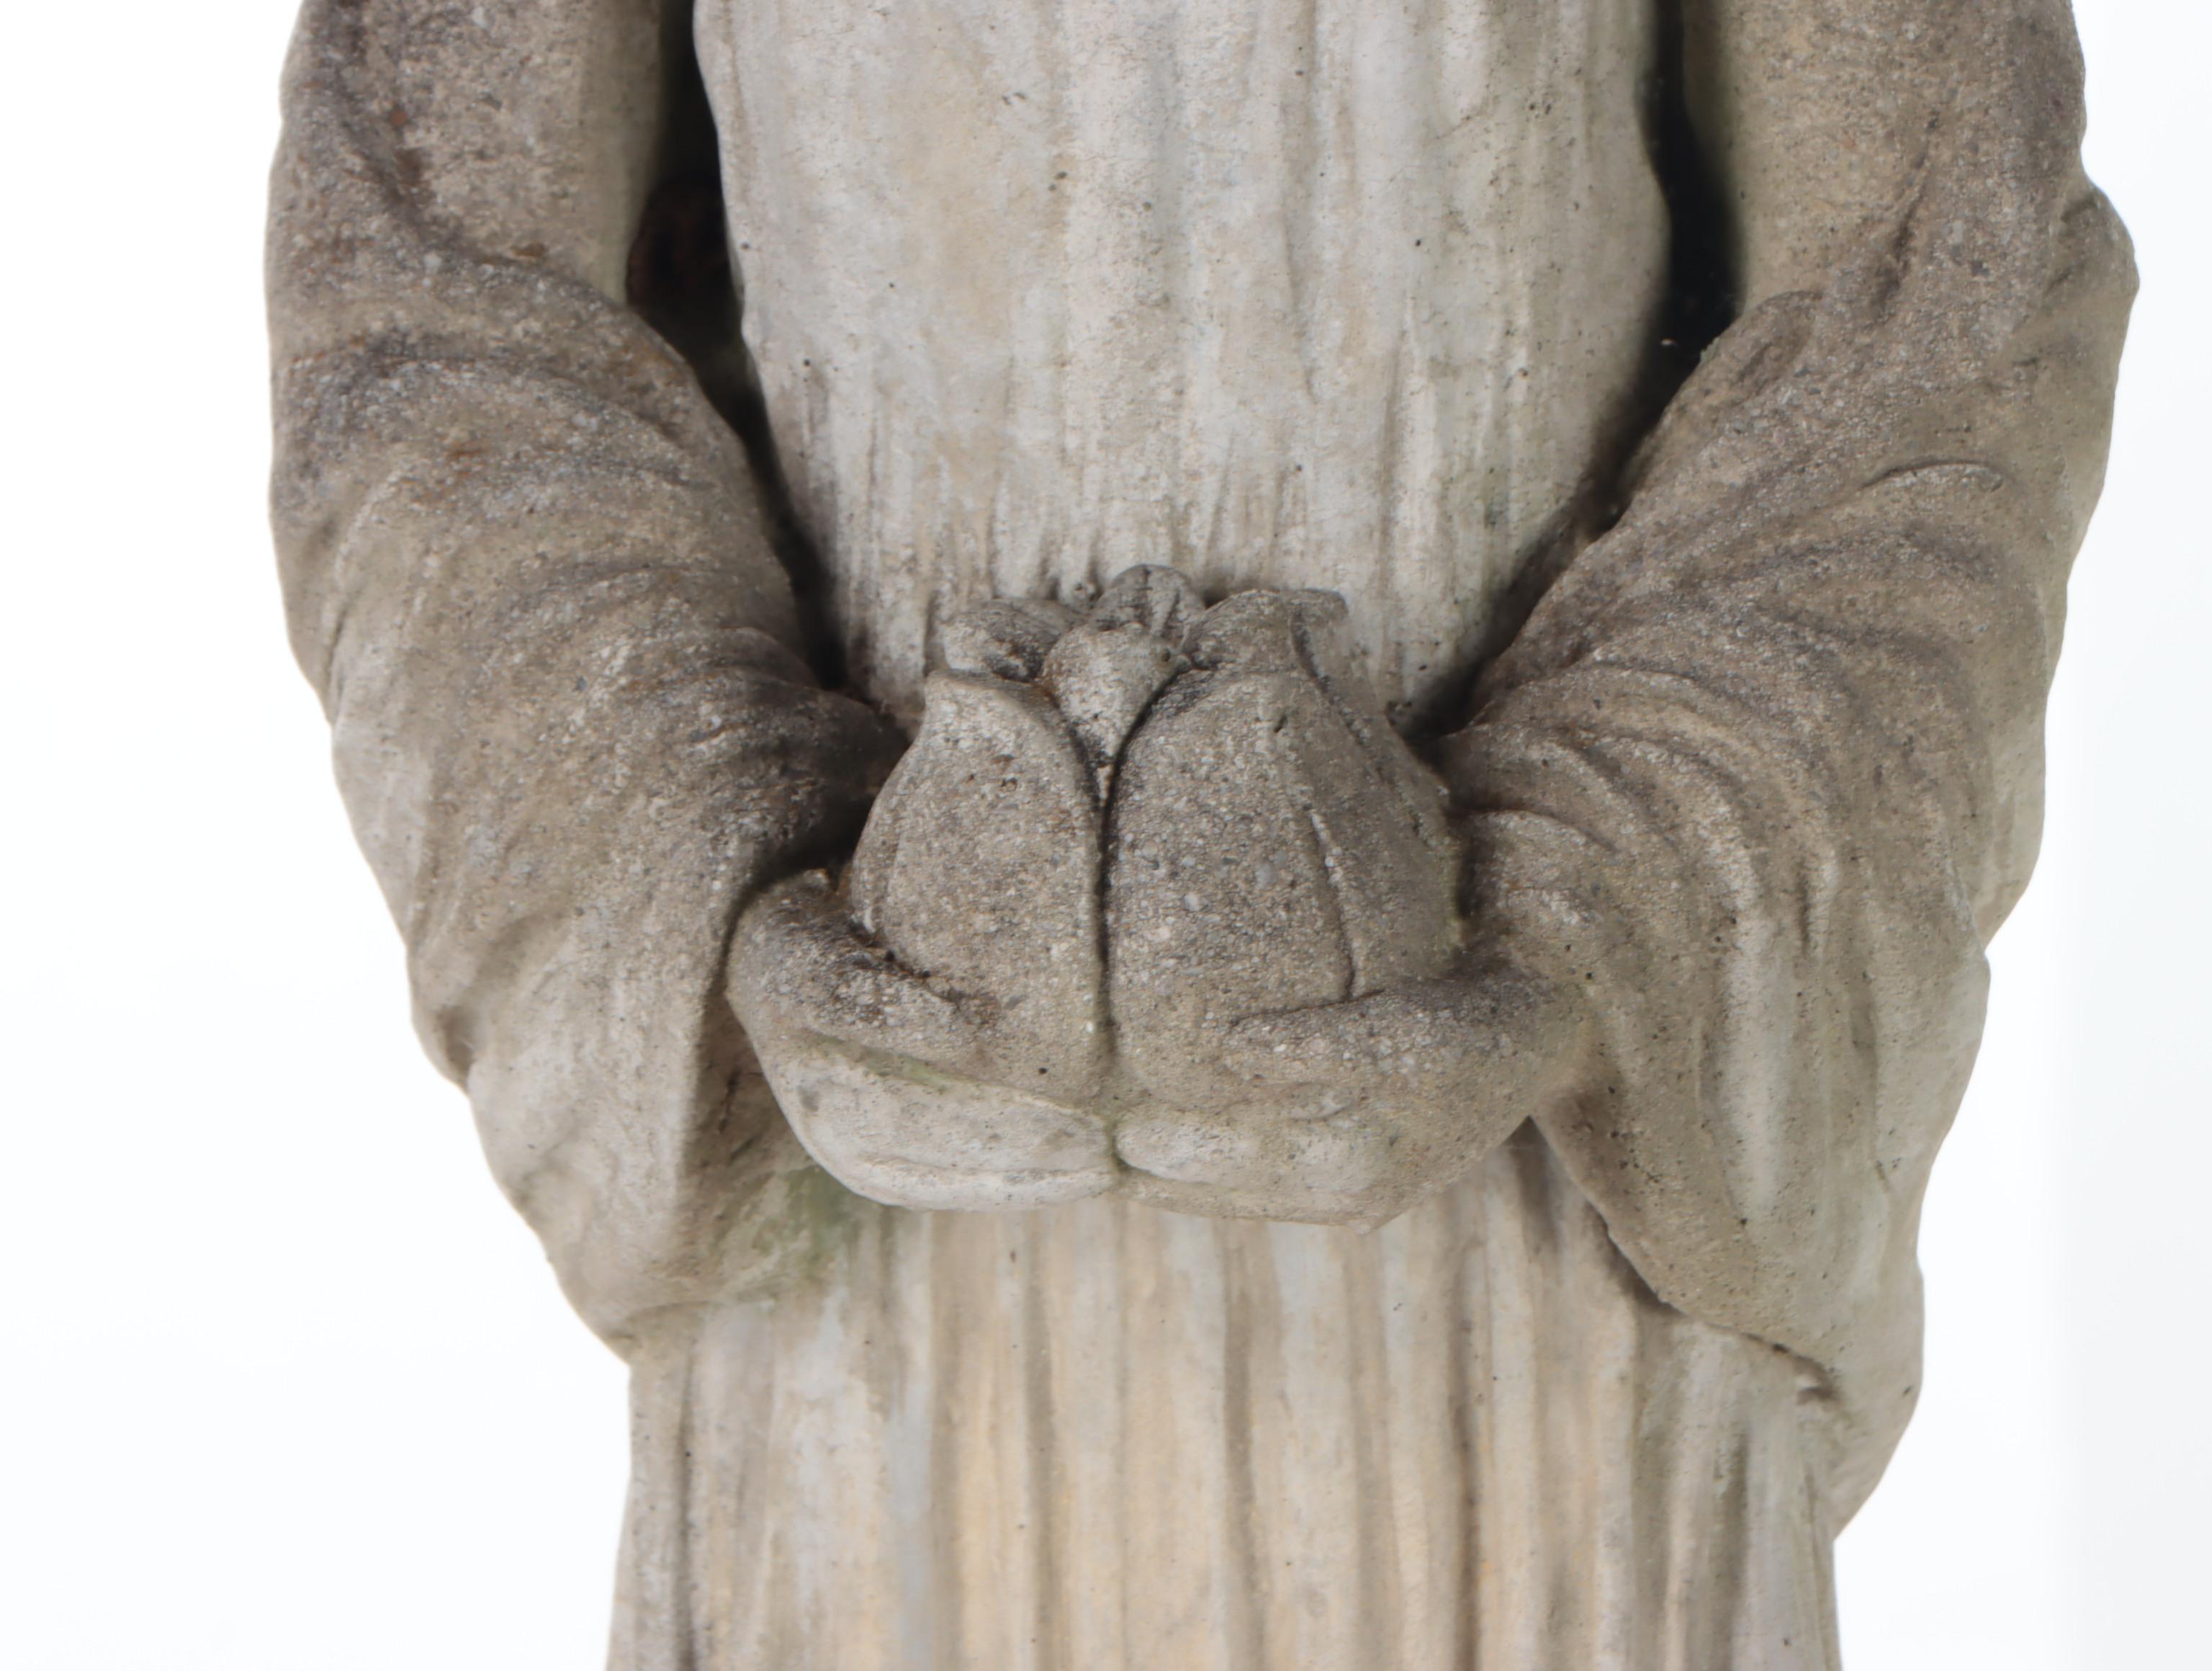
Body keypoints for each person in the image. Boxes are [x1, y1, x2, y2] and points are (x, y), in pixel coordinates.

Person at [268, 1, 2131, 1664]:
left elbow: (1941, 289)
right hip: (880, 1292)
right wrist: (709, 865)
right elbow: (423, 297)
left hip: (1537, 1277)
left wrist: (1594, 894)